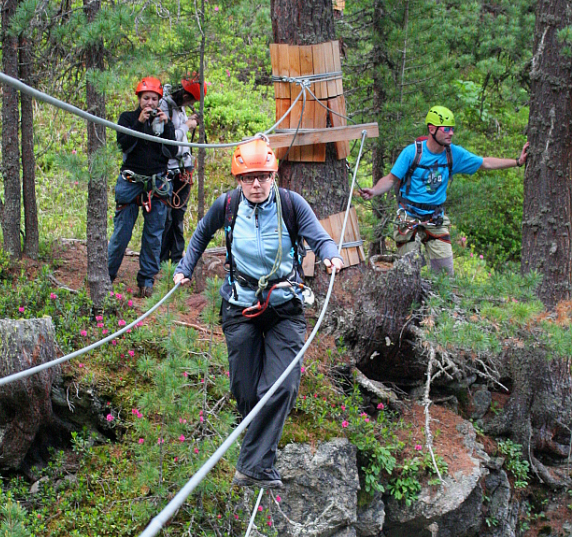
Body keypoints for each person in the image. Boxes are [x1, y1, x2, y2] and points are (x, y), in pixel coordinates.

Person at [173, 137, 343, 489]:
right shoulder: (229, 205)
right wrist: (185, 267)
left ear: (273, 175)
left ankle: (252, 467)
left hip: (284, 305)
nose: (255, 185)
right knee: (246, 393)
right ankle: (257, 458)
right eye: (248, 178)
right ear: (238, 179)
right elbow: (201, 234)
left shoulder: (291, 204)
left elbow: (318, 236)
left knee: (281, 385)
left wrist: (330, 253)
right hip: (240, 305)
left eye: (263, 177)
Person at [359, 106, 529, 275]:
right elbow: (390, 179)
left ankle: (439, 301)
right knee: (408, 274)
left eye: (452, 129)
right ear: (432, 129)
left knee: (445, 276)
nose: (451, 133)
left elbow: (485, 163)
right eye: (446, 129)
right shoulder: (412, 153)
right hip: (408, 218)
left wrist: (518, 161)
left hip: (436, 219)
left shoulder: (453, 154)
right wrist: (374, 191)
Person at [108, 76, 176, 298]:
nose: (150, 103)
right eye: (146, 98)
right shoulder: (127, 118)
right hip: (131, 183)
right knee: (122, 233)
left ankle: (147, 281)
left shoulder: (165, 122)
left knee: (153, 235)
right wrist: (139, 121)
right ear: (139, 98)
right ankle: (107, 275)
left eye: (154, 99)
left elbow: (172, 152)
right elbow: (123, 144)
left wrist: (167, 127)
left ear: (159, 101)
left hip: (157, 184)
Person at [159, 78, 205, 265]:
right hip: (168, 167)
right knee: (167, 217)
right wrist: (188, 126)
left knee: (178, 215)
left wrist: (188, 123)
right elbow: (168, 138)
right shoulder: (164, 106)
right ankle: (162, 259)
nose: (191, 105)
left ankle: (177, 258)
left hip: (183, 166)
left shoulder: (179, 105)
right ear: (185, 96)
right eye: (191, 102)